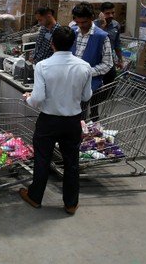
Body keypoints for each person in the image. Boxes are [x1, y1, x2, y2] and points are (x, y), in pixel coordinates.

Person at [19, 26, 92, 215]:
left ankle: (35, 197)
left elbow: (38, 98)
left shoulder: (43, 66)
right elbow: (86, 97)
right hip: (72, 122)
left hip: (48, 121)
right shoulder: (84, 67)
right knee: (71, 162)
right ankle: (70, 203)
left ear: (52, 44)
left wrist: (28, 98)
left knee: (42, 159)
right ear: (73, 43)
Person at [70, 2, 113, 92]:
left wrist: (86, 72)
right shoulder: (72, 32)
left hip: (90, 85)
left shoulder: (102, 37)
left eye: (84, 22)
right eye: (78, 22)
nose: (81, 25)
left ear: (92, 18)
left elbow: (107, 64)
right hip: (70, 82)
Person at [94, 1, 123, 84]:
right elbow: (96, 42)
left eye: (113, 13)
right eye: (107, 13)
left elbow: (117, 44)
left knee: (110, 84)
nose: (111, 15)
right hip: (96, 62)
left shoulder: (116, 25)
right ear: (101, 13)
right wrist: (103, 25)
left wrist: (120, 60)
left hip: (110, 61)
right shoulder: (94, 25)